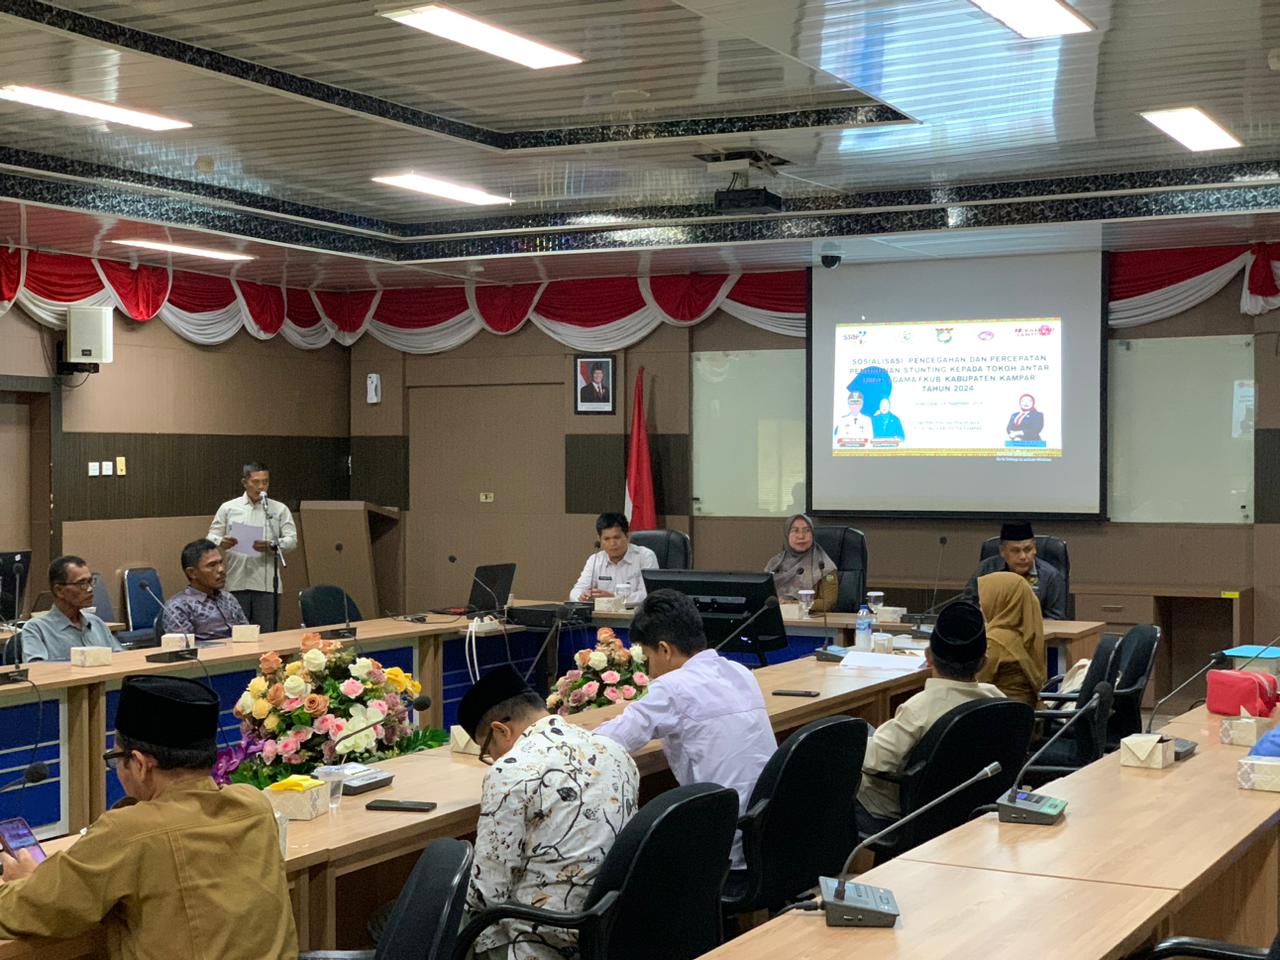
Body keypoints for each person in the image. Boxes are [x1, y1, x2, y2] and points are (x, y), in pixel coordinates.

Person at [0, 674, 297, 958]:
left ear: (140, 764)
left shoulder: (129, 831)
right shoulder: (254, 805)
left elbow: (29, 912)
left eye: (115, 759)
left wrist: (21, 885)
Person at [460, 665, 639, 960]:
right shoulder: (614, 751)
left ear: (501, 730)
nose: (493, 759)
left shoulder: (511, 769)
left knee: (394, 919)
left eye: (488, 751)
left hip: (536, 939)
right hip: (607, 926)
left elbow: (486, 893)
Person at [594, 589, 776, 868]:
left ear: (665, 649)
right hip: (767, 835)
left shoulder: (673, 687)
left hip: (723, 844)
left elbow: (611, 740)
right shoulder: (739, 671)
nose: (650, 671)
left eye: (648, 657)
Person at [856, 600, 1005, 833]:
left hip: (907, 813)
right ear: (983, 662)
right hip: (973, 809)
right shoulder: (998, 700)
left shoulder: (919, 709)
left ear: (929, 656)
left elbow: (876, 760)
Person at [208, 461, 296, 630]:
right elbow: (211, 537)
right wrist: (221, 542)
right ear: (245, 482)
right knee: (237, 633)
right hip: (236, 581)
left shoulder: (279, 509)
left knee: (266, 634)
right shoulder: (228, 508)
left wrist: (272, 545)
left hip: (266, 585)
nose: (261, 487)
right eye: (256, 482)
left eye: (265, 482)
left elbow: (292, 540)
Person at [20, 556, 121, 662]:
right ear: (59, 590)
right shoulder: (36, 629)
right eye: (82, 584)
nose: (90, 589)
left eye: (90, 582)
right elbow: (36, 668)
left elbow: (121, 658)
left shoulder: (96, 623)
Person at [963, 520, 1067, 620]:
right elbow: (968, 604)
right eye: (1015, 551)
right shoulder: (987, 569)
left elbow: (1056, 618)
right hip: (991, 629)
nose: (1023, 557)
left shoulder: (1050, 576)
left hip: (1035, 631)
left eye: (1028, 549)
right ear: (1002, 551)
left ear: (1035, 549)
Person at [975, 571, 1047, 706]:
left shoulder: (995, 641)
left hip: (1000, 714)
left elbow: (974, 684)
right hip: (1023, 712)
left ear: (1000, 600)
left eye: (985, 598)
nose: (980, 604)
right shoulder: (1024, 633)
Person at [161, 538, 248, 643]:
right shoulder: (178, 607)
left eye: (221, 562)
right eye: (212, 565)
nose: (221, 569)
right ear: (192, 573)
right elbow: (182, 649)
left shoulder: (228, 598)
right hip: (208, 653)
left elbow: (247, 635)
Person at [569, 511, 659, 603]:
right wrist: (581, 597)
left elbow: (649, 595)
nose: (612, 543)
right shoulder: (595, 560)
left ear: (627, 536)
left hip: (637, 611)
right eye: (606, 539)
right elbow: (575, 592)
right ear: (599, 540)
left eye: (616, 537)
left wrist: (614, 597)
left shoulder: (645, 556)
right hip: (602, 612)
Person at [765, 513, 838, 612]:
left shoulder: (823, 565)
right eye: (795, 531)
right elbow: (764, 596)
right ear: (787, 535)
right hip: (777, 616)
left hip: (810, 618)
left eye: (807, 530)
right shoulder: (774, 564)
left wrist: (793, 604)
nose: (801, 536)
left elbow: (828, 602)